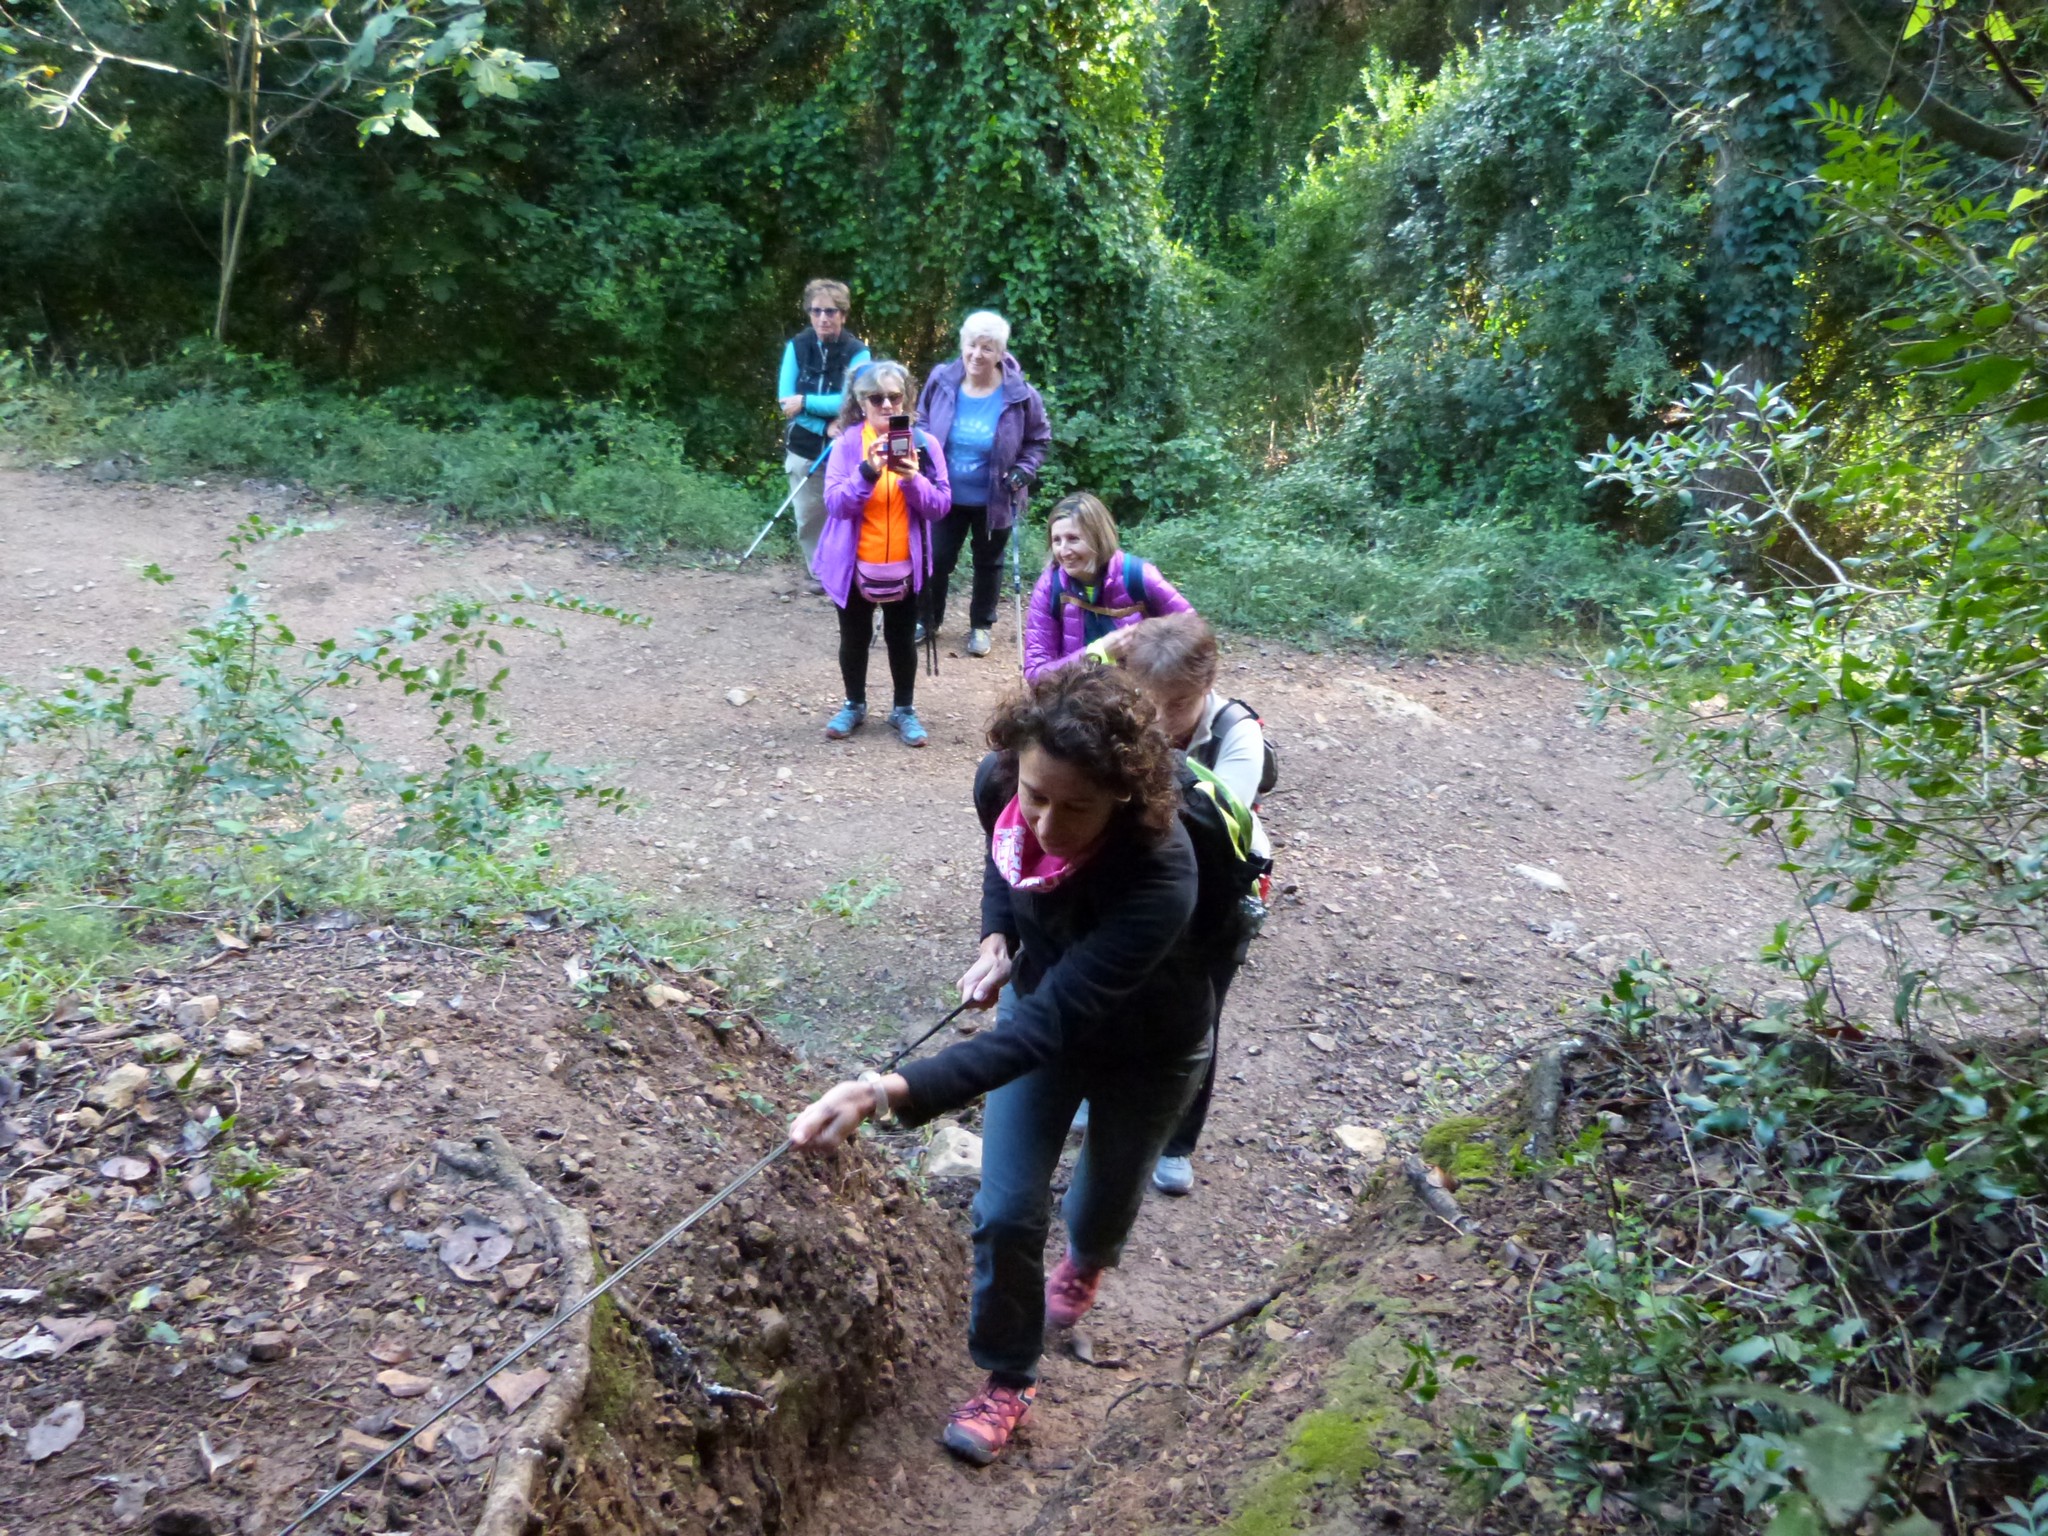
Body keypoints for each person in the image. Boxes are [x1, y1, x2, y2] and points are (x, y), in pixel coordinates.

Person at [788, 666, 1210, 1466]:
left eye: (1074, 808)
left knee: (1100, 1206)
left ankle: (1087, 1260)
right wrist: (997, 937)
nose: (1045, 823)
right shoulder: (1001, 781)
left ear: (1121, 797)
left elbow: (1048, 1028)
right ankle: (1009, 1377)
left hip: (1151, 1046)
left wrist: (886, 1091)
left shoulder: (1164, 871)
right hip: (1042, 1003)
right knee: (1007, 1210)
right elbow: (1005, 856)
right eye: (1035, 794)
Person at [1099, 613, 1271, 1196]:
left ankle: (1176, 1141)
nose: (1161, 720)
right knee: (1115, 986)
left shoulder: (1237, 732)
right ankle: (1097, 1093)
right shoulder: (1130, 709)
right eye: (1147, 703)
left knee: (1197, 1008)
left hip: (1220, 885)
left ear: (1207, 684)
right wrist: (1102, 654)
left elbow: (1212, 819)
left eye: (1176, 704)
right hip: (1144, 873)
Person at [815, 359, 950, 747]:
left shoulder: (924, 444)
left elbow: (941, 506)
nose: (887, 405)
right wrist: (868, 471)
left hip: (905, 566)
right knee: (853, 638)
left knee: (902, 638)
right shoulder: (846, 445)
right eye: (876, 398)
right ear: (861, 403)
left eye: (895, 396)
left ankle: (903, 709)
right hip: (854, 565)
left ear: (906, 398)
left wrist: (912, 479)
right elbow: (835, 505)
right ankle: (853, 705)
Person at [915, 311, 1051, 658]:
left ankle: (980, 625)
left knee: (988, 563)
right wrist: (920, 449)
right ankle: (927, 619)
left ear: (1001, 353)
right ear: (963, 345)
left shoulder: (1020, 394)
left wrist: (1024, 469)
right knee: (936, 558)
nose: (977, 354)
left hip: (996, 496)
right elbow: (923, 419)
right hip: (943, 493)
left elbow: (1038, 440)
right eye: (972, 345)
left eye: (987, 348)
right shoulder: (941, 380)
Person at [1022, 492, 1192, 682]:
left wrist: (1150, 640)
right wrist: (1098, 653)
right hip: (1077, 694)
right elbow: (1035, 674)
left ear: (1098, 538)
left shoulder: (1138, 576)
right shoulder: (1050, 586)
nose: (1063, 551)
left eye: (1073, 538)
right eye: (1057, 540)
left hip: (1141, 691)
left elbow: (1192, 634)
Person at [776, 279, 871, 581]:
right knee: (809, 516)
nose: (823, 318)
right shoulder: (797, 347)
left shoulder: (858, 353)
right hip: (804, 447)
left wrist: (805, 402)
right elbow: (785, 401)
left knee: (848, 511)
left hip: (846, 445)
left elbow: (852, 397)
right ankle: (820, 575)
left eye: (830, 311)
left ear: (843, 314)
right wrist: (822, 425)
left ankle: (849, 572)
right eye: (816, 311)